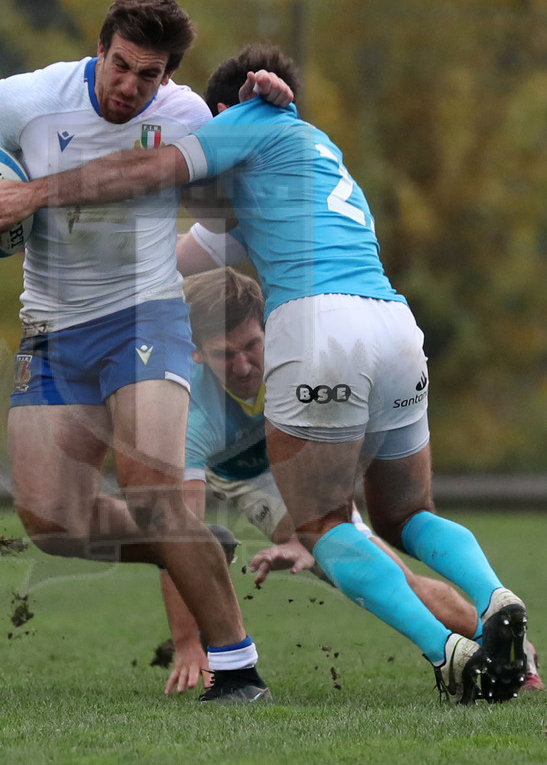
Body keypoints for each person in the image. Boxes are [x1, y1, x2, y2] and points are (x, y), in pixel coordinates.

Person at [0, 43, 531, 705]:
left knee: (322, 526)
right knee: (407, 513)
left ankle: (447, 653)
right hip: (394, 327)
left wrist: (30, 194)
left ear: (223, 112)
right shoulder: (312, 154)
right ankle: (495, 597)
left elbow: (145, 168)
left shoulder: (242, 124)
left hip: (320, 330)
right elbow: (167, 262)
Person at [0, 0, 293, 704]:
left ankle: (237, 667)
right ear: (100, 51)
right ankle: (190, 544)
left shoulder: (183, 116)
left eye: (146, 75)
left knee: (152, 488)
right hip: (52, 328)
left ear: (167, 78)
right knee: (53, 524)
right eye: (120, 66)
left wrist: (272, 102)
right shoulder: (27, 99)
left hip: (144, 317)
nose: (128, 86)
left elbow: (257, 145)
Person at [159, 266, 543, 694]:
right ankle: (499, 644)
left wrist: (313, 533)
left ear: (269, 328)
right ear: (195, 352)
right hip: (249, 479)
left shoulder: (307, 358)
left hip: (306, 459)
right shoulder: (189, 415)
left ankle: (510, 649)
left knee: (387, 571)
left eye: (252, 345)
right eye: (224, 354)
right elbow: (179, 533)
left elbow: (347, 451)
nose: (244, 365)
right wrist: (188, 645)